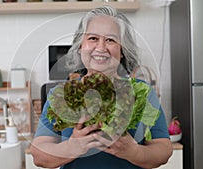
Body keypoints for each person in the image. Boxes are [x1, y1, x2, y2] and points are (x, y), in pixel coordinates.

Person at [30, 6, 173, 169]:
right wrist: (72, 147)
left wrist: (133, 152)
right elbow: (38, 155)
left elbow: (163, 150)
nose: (101, 47)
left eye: (111, 40)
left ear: (122, 51)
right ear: (80, 46)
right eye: (92, 38)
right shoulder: (62, 94)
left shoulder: (141, 93)